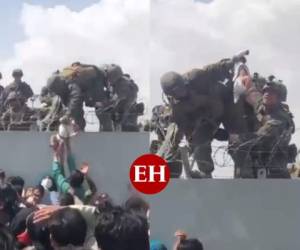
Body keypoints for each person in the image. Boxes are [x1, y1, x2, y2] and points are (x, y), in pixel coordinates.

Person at [159, 56, 239, 178]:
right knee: (198, 142)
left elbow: (211, 70)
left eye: (181, 88)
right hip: (204, 121)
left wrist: (230, 62)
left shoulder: (195, 77)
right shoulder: (177, 109)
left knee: (240, 135)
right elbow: (182, 131)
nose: (181, 92)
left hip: (223, 104)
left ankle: (243, 167)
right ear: (171, 95)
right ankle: (205, 172)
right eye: (176, 92)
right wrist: (170, 152)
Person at [230, 77, 295, 178]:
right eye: (266, 91)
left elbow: (260, 137)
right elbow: (253, 98)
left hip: (273, 171)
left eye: (272, 93)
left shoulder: (280, 118)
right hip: (257, 164)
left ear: (280, 98)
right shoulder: (262, 106)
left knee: (236, 143)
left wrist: (233, 136)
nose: (267, 94)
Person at [46, 63, 109, 130]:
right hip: (87, 88)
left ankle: (108, 134)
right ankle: (79, 129)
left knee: (102, 111)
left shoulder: (72, 82)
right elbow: (68, 102)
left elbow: (76, 98)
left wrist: (68, 115)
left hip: (95, 84)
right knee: (76, 113)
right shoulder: (64, 82)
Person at [96, 64, 139, 131]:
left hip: (124, 113)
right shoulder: (120, 82)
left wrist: (103, 105)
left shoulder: (123, 85)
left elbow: (116, 99)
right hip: (124, 111)